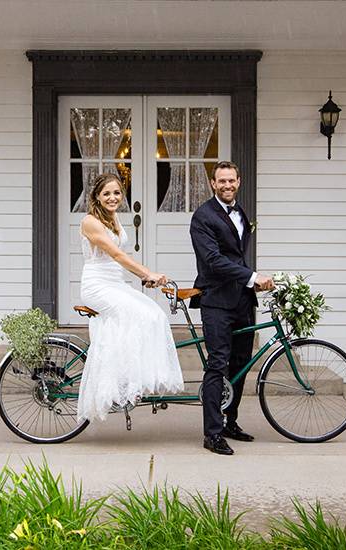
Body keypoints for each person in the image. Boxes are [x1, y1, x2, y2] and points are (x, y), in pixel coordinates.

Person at [76, 173, 184, 422]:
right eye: (106, 194)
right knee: (137, 316)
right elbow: (117, 255)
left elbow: (119, 262)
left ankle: (136, 381)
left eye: (116, 193)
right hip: (97, 286)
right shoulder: (90, 221)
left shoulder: (113, 218)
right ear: (96, 197)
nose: (112, 198)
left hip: (115, 283)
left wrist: (142, 278)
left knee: (155, 315)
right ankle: (118, 384)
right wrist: (148, 273)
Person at [189, 161, 274, 456]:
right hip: (216, 300)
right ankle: (211, 434)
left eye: (231, 180)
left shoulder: (240, 212)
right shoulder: (202, 216)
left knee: (240, 364)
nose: (227, 185)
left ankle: (229, 422)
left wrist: (250, 283)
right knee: (218, 364)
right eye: (221, 181)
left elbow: (236, 255)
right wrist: (252, 277)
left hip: (242, 299)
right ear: (213, 184)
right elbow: (212, 260)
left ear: (239, 181)